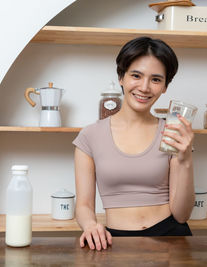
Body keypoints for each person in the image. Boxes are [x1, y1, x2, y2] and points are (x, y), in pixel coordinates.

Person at [72, 36, 195, 251]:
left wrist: (185, 159)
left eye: (156, 79)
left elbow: (182, 214)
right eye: (136, 76)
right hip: (113, 241)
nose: (145, 87)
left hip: (171, 237)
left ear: (165, 86)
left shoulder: (173, 133)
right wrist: (91, 225)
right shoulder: (90, 135)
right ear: (121, 77)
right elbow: (83, 205)